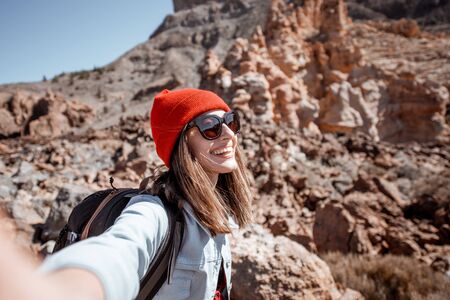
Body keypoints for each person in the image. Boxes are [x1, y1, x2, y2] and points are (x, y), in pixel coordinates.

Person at [0, 88, 253, 300]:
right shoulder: (153, 214)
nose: (229, 135)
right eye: (211, 127)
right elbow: (116, 253)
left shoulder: (220, 211)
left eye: (231, 122)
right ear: (181, 144)